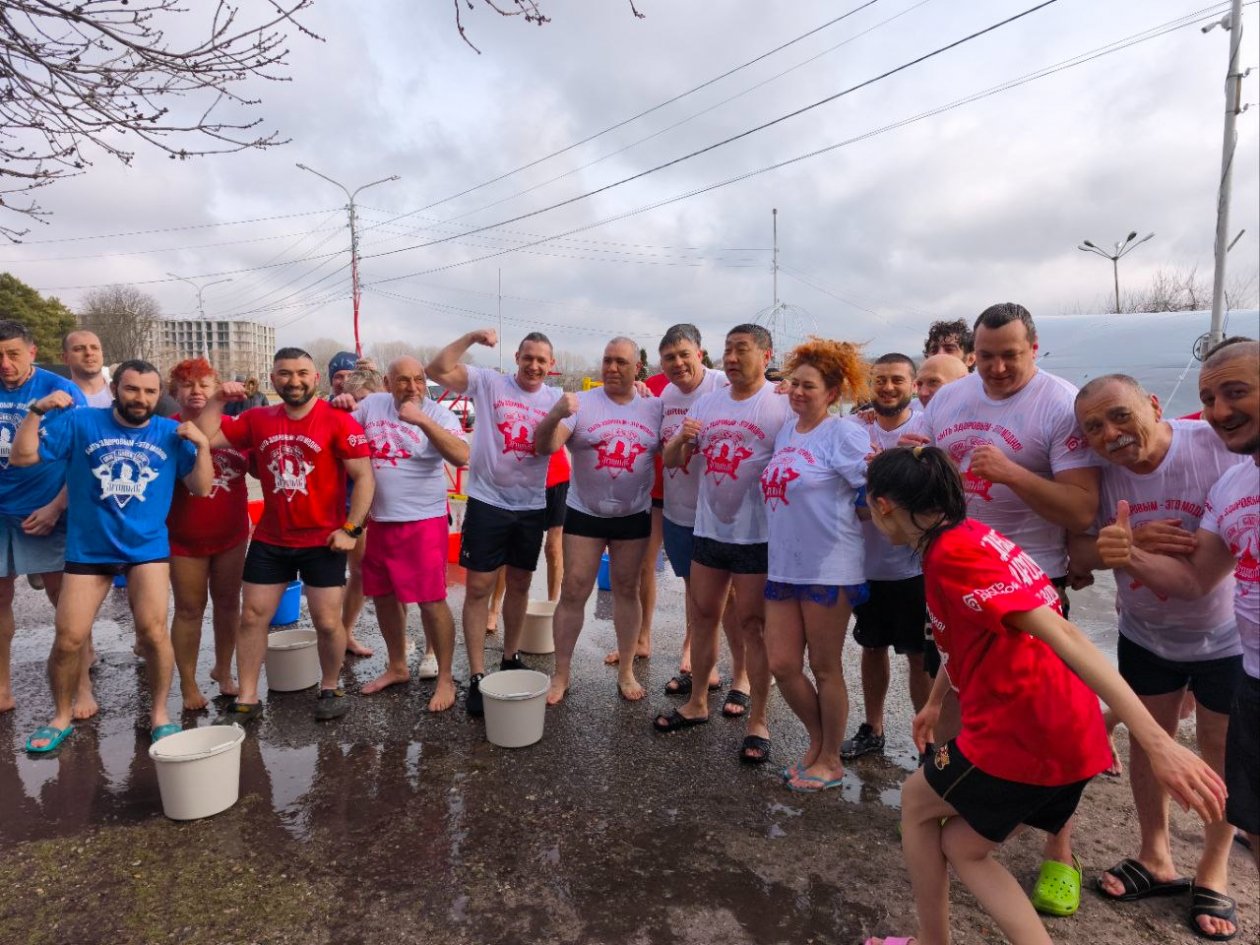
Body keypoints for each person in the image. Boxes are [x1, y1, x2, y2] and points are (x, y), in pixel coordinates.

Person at [861, 446, 1226, 945]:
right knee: (962, 844)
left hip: (1022, 735)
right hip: (1069, 732)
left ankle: (932, 941)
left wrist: (1158, 742)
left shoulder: (953, 555)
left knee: (916, 802)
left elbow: (1065, 633)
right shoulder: (975, 535)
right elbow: (969, 632)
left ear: (883, 505)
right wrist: (935, 700)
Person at [921, 302, 1099, 915]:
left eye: (1010, 355)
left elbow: (1080, 509)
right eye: (986, 355)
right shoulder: (948, 399)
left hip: (1031, 579)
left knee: (1041, 722)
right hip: (955, 571)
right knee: (951, 694)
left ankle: (1059, 851)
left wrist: (1012, 474)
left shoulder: (1059, 403)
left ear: (1035, 347)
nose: (996, 368)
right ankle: (953, 811)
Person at [1067, 373, 1244, 939]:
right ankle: (1156, 855)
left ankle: (1213, 868)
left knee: (1222, 750)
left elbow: (1204, 571)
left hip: (1228, 635)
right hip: (1146, 632)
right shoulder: (1100, 476)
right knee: (1149, 739)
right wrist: (1126, 543)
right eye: (1093, 427)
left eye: (1120, 415)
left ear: (1150, 403)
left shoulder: (1212, 446)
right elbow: (1077, 549)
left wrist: (1128, 551)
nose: (1111, 434)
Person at [13, 359, 213, 751]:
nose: (140, 398)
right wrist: (36, 412)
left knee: (153, 633)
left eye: (150, 392)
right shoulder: (82, 422)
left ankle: (160, 714)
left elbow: (202, 487)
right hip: (89, 548)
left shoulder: (170, 432)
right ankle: (61, 716)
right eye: (132, 389)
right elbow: (22, 457)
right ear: (116, 389)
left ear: (159, 396)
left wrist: (203, 446)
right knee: (68, 638)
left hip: (146, 549)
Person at [201, 347, 374, 723]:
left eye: (301, 373)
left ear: (316, 379)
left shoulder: (339, 421)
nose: (293, 380)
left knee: (328, 623)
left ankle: (330, 686)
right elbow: (207, 436)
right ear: (273, 378)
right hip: (271, 539)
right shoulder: (257, 418)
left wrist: (351, 528)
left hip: (323, 540)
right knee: (252, 617)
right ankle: (247, 696)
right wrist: (217, 398)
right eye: (284, 373)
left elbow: (364, 478)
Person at [655, 324, 791, 766]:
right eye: (728, 350)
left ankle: (759, 720)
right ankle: (697, 702)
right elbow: (674, 461)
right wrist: (681, 438)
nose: (732, 358)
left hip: (758, 534)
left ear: (766, 353)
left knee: (753, 624)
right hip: (708, 529)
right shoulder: (707, 403)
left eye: (742, 350)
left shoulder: (781, 402)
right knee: (703, 615)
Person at [426, 329, 561, 715]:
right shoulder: (489, 383)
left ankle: (510, 656)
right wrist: (469, 337)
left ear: (551, 366)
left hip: (532, 505)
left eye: (541, 360)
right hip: (488, 501)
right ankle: (477, 676)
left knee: (519, 584)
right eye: (528, 357)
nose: (534, 365)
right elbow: (437, 369)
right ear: (517, 357)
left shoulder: (554, 399)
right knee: (480, 587)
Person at [760, 338, 870, 791]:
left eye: (809, 386)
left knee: (826, 667)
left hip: (830, 566)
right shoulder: (788, 430)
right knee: (782, 663)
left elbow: (872, 487)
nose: (798, 392)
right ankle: (819, 741)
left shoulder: (843, 433)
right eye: (794, 384)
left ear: (832, 392)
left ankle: (829, 760)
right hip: (785, 565)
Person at [535, 337, 662, 703]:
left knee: (626, 589)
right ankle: (561, 674)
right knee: (574, 590)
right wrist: (555, 414)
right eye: (607, 360)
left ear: (637, 367)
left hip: (633, 514)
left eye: (621, 362)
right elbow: (546, 445)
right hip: (585, 511)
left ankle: (625, 671)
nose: (611, 368)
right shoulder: (581, 403)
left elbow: (703, 392)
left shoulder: (653, 408)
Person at [352, 356, 468, 712]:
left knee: (431, 600)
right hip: (380, 519)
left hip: (423, 521)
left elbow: (462, 455)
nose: (413, 387)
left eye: (419, 380)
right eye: (403, 380)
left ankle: (446, 677)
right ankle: (397, 665)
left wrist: (423, 421)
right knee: (384, 596)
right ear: (387, 383)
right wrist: (338, 406)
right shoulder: (372, 405)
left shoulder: (438, 414)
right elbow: (341, 434)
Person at [841, 353, 933, 762]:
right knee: (871, 646)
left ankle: (928, 739)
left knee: (920, 655)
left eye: (897, 380)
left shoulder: (926, 430)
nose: (888, 388)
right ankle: (872, 728)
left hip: (915, 567)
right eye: (880, 380)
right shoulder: (853, 429)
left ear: (913, 385)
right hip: (867, 564)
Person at [0, 320, 88, 714]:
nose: (4, 364)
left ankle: (82, 686)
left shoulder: (61, 392)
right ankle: (2, 687)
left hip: (44, 510)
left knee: (67, 604)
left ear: (32, 352)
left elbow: (84, 457)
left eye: (13, 354)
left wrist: (57, 507)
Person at [653, 324, 733, 697]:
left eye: (684, 354)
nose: (678, 363)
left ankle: (743, 672)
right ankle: (699, 656)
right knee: (693, 589)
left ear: (700, 353)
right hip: (679, 509)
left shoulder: (721, 384)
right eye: (669, 357)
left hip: (721, 514)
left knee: (730, 595)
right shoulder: (665, 394)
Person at [166, 359, 250, 711]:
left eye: (204, 384)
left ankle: (224, 669)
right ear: (174, 393)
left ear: (216, 385)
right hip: (184, 537)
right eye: (187, 385)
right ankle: (187, 683)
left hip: (231, 532)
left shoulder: (237, 427)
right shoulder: (166, 429)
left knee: (229, 604)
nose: (196, 391)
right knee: (189, 609)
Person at [333, 356, 378, 658]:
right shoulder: (338, 415)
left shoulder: (385, 415)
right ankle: (336, 632)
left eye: (369, 400)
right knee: (342, 574)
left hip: (377, 505)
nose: (363, 406)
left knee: (363, 573)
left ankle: (344, 632)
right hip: (345, 506)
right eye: (358, 400)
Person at [61, 330, 112, 407]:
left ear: (102, 354)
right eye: (79, 349)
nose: (89, 353)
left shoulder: (123, 393)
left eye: (95, 348)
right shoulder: (55, 399)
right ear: (65, 358)